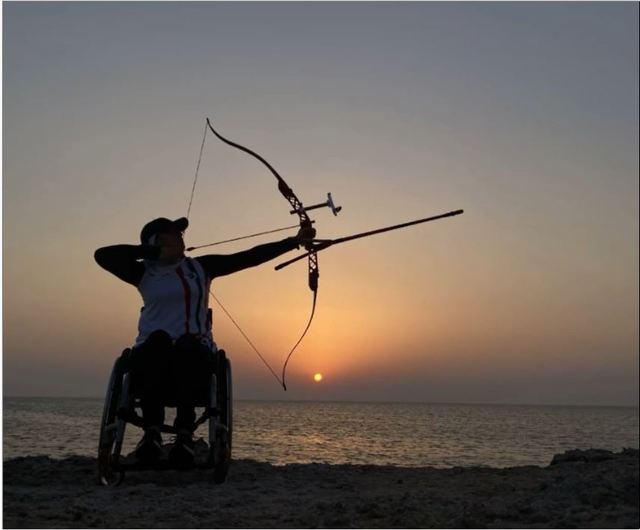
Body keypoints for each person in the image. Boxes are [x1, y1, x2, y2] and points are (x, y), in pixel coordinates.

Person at [94, 216, 314, 465]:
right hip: (152, 354)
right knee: (158, 342)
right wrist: (152, 253)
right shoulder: (143, 272)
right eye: (174, 234)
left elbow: (247, 257)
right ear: (157, 241)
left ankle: (185, 435)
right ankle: (151, 434)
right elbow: (103, 255)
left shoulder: (200, 267)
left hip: (195, 352)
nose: (181, 238)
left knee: (186, 346)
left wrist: (294, 242)